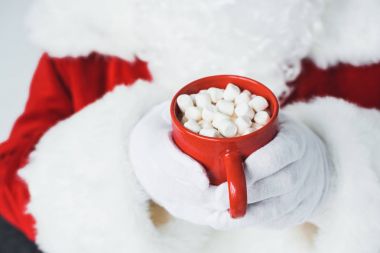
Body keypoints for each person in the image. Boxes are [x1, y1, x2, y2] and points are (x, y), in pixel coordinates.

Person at [0, 0, 379, 252]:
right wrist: (125, 170)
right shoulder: (89, 33)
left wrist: (338, 176)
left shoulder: (364, 36)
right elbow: (12, 182)